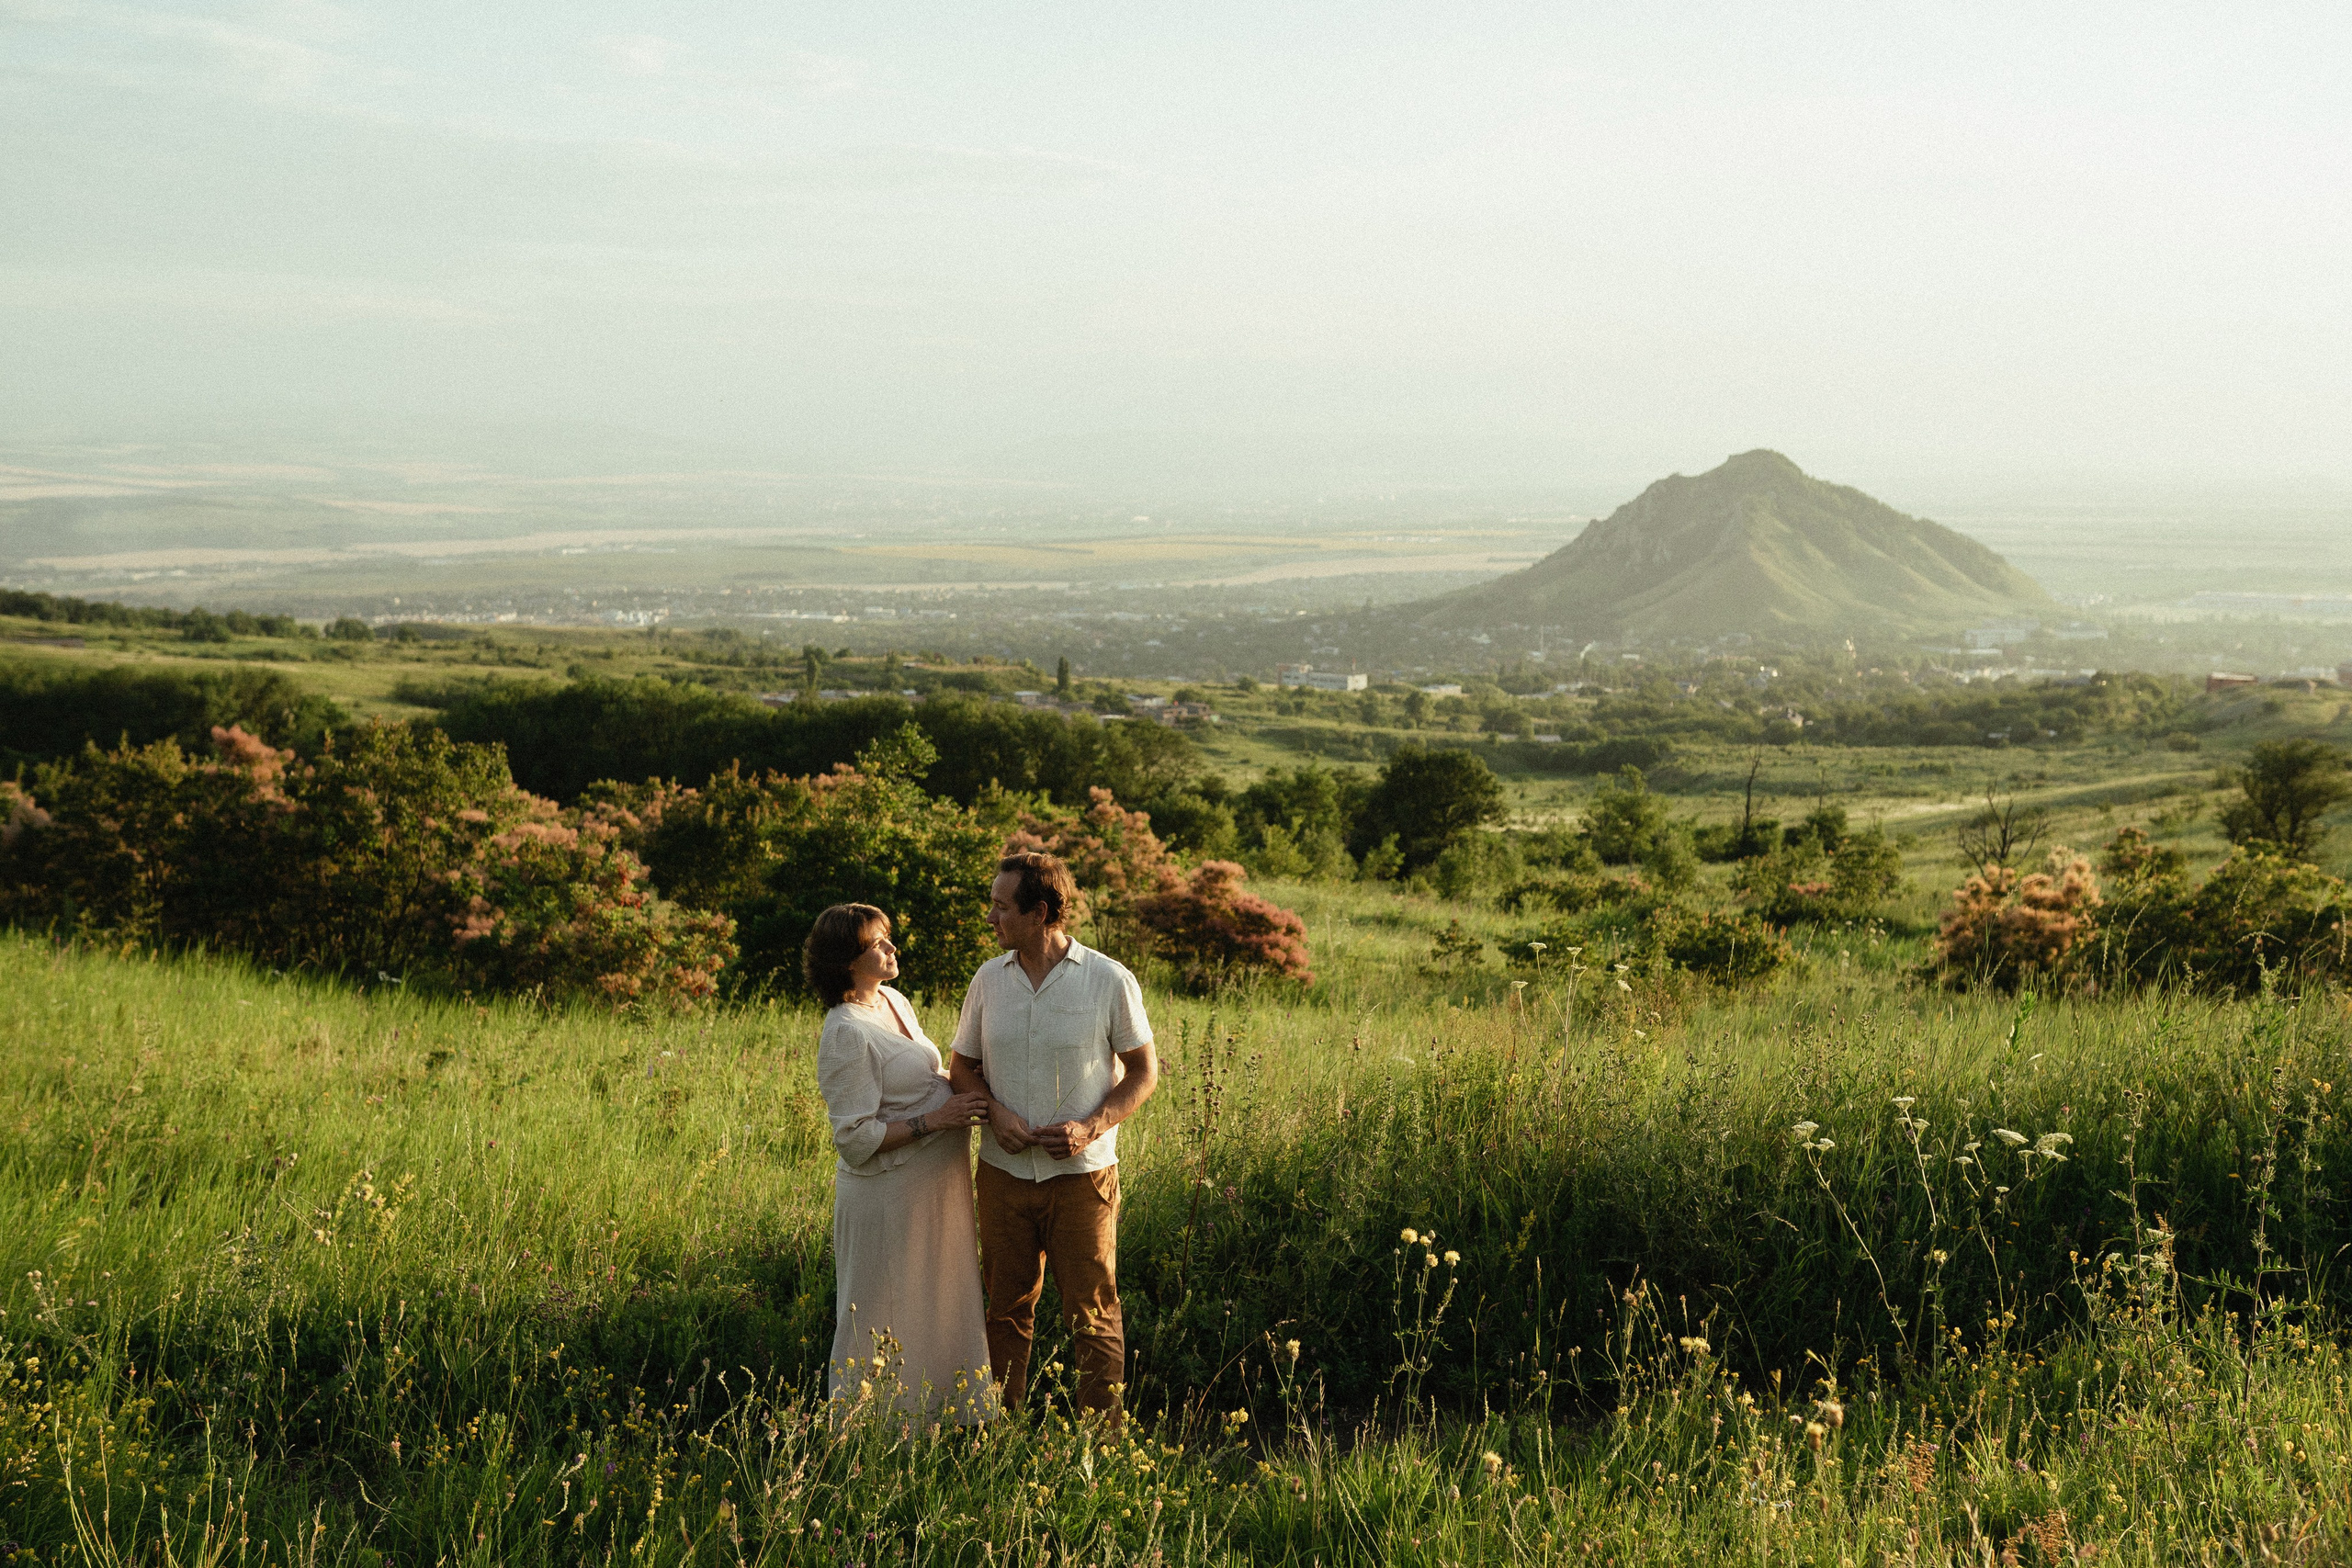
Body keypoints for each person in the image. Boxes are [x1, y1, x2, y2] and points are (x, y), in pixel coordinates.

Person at [947, 852, 1159, 1421]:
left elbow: (1144, 1073)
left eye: (1001, 907)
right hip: (1002, 1176)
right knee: (1005, 1309)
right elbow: (961, 1066)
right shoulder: (989, 980)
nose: (990, 918)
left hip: (1082, 1179)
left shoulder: (1108, 979)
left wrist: (1091, 1126)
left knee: (1092, 1314)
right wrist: (993, 1112)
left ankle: (1103, 1448)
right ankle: (999, 1435)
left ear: (1040, 912)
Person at [808, 903, 999, 1423]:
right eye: (877, 943)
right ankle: (871, 1434)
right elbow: (853, 1138)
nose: (891, 948)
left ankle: (944, 1422)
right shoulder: (845, 1031)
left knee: (935, 1305)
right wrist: (938, 1120)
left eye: (888, 937)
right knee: (880, 1310)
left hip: (932, 1189)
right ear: (848, 960)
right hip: (886, 1197)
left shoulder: (893, 1000)